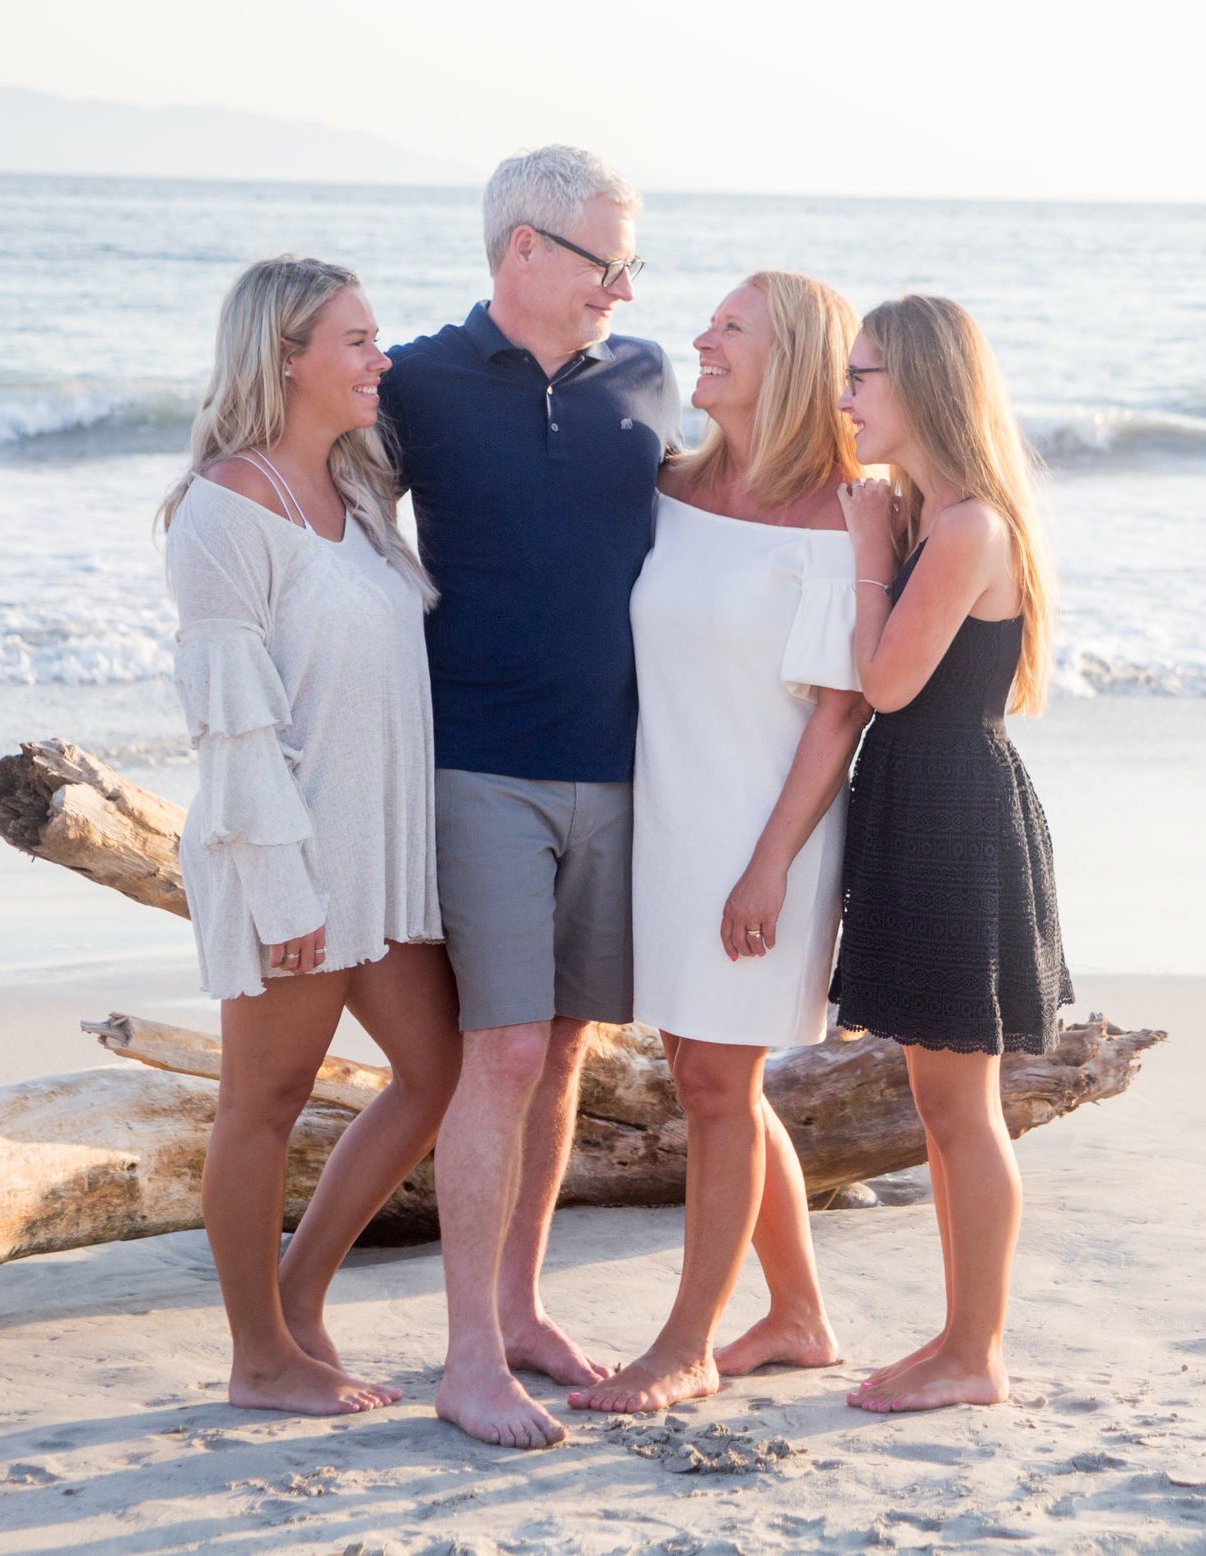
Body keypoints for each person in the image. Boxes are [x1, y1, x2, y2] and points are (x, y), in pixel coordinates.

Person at [379, 146, 681, 1448]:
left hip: (623, 767)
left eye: (631, 262)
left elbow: (735, 510)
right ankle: (462, 1358)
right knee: (499, 1047)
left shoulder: (651, 377)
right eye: (602, 259)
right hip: (480, 764)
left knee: (565, 1049)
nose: (622, 284)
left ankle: (519, 1311)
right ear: (522, 251)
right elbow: (314, 521)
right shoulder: (415, 384)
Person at [158, 256, 461, 1417]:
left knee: (435, 1075)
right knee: (263, 1101)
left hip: (379, 859)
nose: (379, 358)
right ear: (285, 354)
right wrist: (287, 898)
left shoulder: (357, 492)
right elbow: (233, 730)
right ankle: (258, 1356)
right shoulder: (225, 508)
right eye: (357, 339)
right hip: (284, 858)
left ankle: (297, 1298)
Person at [570, 274, 871, 1414]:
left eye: (730, 327)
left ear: (789, 355)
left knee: (713, 1080)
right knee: (714, 1079)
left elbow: (839, 711)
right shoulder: (671, 486)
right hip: (669, 813)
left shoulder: (849, 514)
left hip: (770, 829)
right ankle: (795, 1313)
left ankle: (685, 1342)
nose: (700, 336)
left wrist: (768, 865)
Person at [831, 294, 1073, 1415]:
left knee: (960, 1107)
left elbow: (886, 682)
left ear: (923, 385)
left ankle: (974, 1350)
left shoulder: (966, 525)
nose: (845, 396)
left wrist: (869, 551)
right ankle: (958, 1338)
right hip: (925, 802)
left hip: (953, 816)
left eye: (864, 375)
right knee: (940, 1104)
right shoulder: (939, 514)